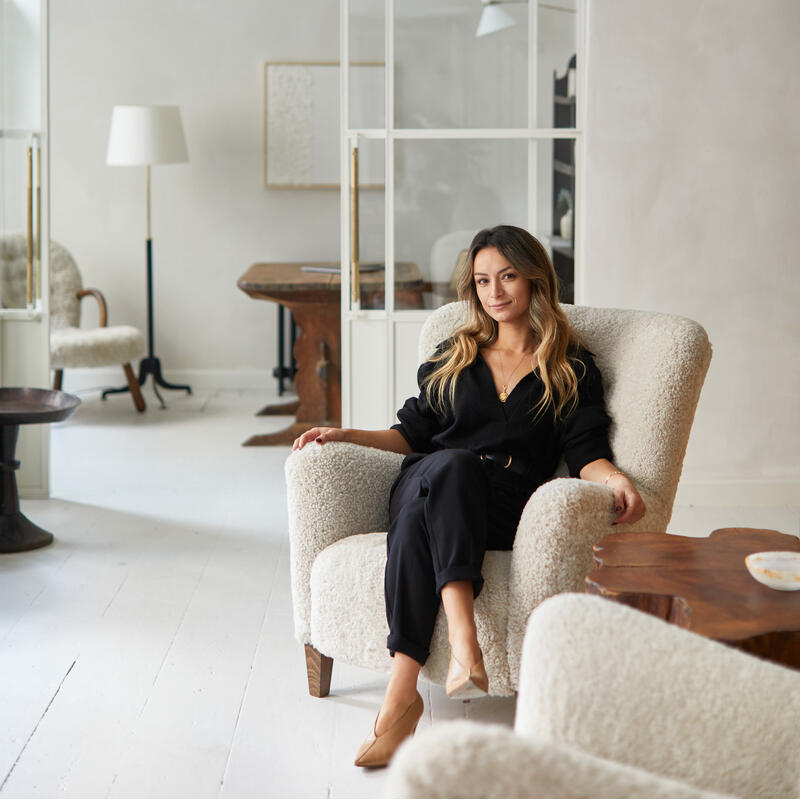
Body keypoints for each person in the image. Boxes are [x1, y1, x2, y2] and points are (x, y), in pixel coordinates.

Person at [292, 224, 646, 768]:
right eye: (482, 281)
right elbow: (408, 435)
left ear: (534, 280)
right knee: (446, 468)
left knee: (417, 520)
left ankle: (401, 701)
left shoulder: (571, 368)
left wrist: (615, 479)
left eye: (507, 277)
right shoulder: (455, 353)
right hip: (429, 477)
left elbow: (586, 452)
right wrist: (344, 434)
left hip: (500, 506)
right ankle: (461, 645)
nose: (495, 292)